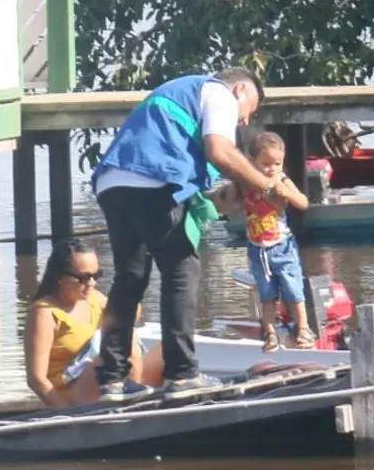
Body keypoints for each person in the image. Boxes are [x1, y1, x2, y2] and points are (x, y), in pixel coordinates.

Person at [92, 67, 282, 402]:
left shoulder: (178, 91)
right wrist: (267, 187)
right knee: (181, 270)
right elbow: (219, 151)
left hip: (112, 182)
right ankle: (182, 375)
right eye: (248, 111)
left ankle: (112, 380)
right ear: (240, 90)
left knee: (130, 278)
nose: (243, 122)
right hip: (152, 180)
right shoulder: (219, 93)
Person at [23, 238, 165, 407]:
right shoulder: (44, 313)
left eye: (96, 275)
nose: (91, 283)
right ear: (60, 277)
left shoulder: (94, 298)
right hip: (72, 395)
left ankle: (164, 396)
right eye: (83, 278)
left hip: (111, 381)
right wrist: (67, 415)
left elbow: (131, 315)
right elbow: (36, 379)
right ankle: (132, 401)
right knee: (118, 349)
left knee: (170, 347)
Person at [208, 131, 314, 353]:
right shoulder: (246, 185)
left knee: (294, 291)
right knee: (267, 296)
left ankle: (303, 329)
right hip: (257, 250)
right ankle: (270, 333)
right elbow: (226, 202)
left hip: (282, 247)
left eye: (277, 163)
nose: (272, 169)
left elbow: (303, 203)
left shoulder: (281, 180)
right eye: (265, 164)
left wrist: (286, 193)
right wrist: (235, 181)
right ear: (251, 161)